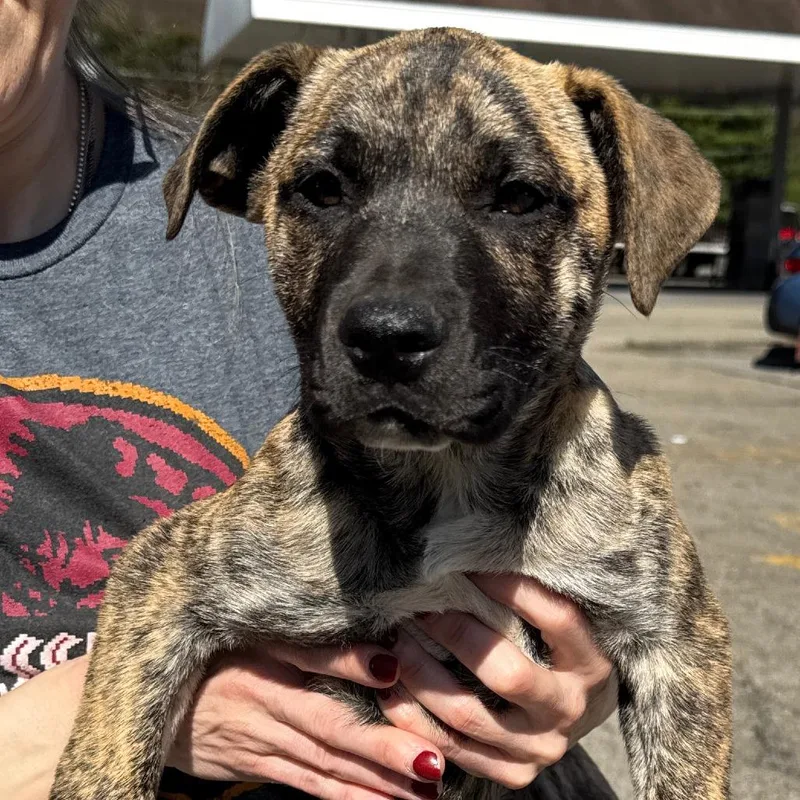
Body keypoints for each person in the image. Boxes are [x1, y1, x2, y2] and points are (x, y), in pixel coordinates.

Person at [0, 2, 619, 798]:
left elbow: (573, 504)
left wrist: (585, 676)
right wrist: (134, 704)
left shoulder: (267, 171)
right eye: (325, 193)